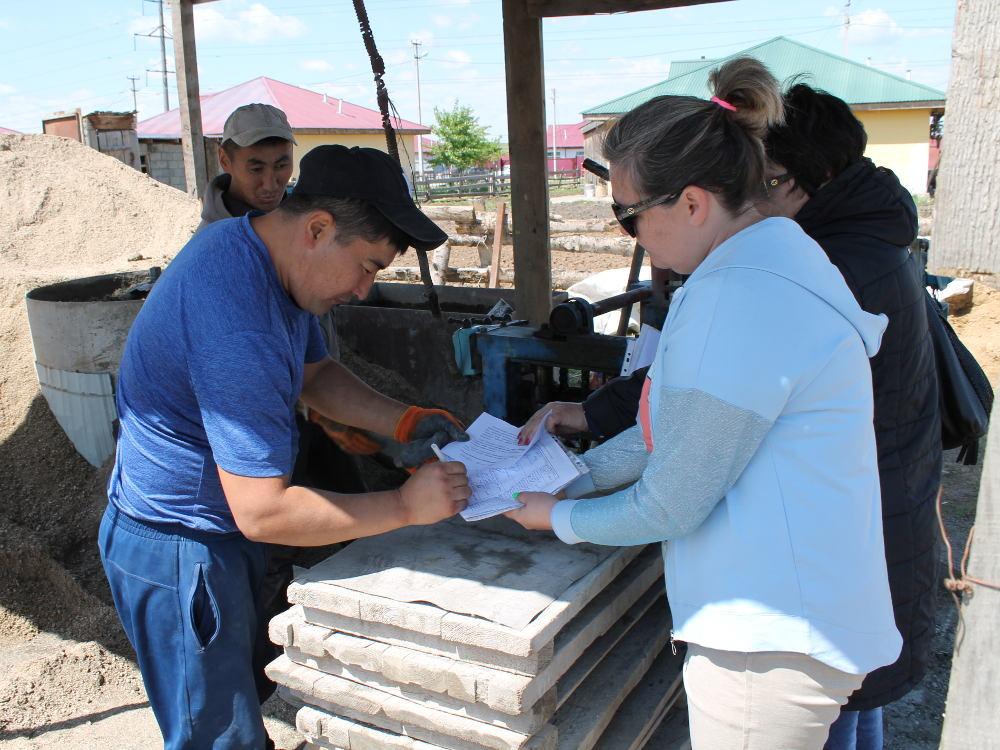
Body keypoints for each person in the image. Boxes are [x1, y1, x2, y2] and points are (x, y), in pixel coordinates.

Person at [521, 83, 942, 750]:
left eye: (628, 216)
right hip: (804, 615)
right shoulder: (784, 257)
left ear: (691, 202)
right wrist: (574, 473)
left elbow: (671, 504)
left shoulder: (738, 295)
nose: (630, 235)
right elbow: (688, 437)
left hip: (766, 641)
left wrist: (553, 515)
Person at [99, 144, 471, 750]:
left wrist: (403, 420)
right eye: (368, 266)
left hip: (214, 531)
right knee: (215, 737)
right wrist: (406, 507)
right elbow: (263, 512)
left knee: (240, 699)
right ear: (318, 230)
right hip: (179, 545)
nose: (364, 290)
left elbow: (314, 376)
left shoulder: (259, 254)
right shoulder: (236, 317)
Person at [197, 103, 296, 231]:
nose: (270, 185)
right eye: (256, 169)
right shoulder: (212, 243)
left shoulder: (303, 223)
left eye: (281, 166)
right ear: (225, 161)